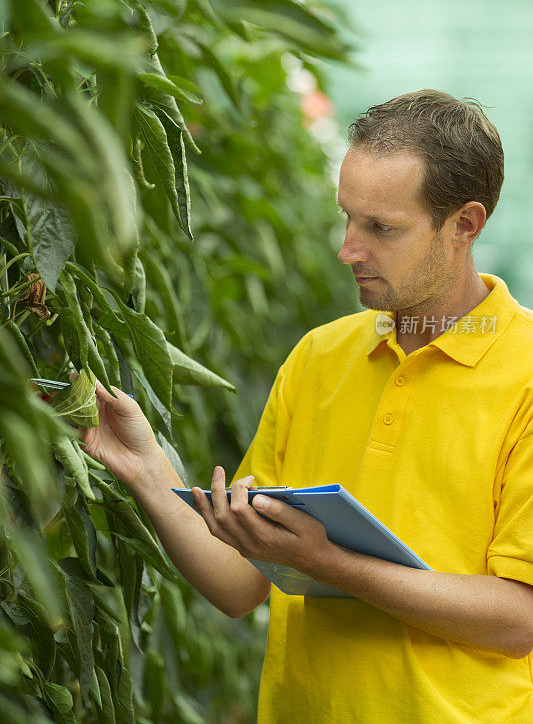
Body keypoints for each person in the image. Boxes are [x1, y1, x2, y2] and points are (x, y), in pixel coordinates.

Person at [79, 89, 533, 724]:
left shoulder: (525, 376)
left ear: (465, 223)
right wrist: (150, 473)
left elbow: (520, 619)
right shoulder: (321, 357)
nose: (348, 248)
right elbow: (242, 585)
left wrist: (330, 564)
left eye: (381, 227)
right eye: (348, 216)